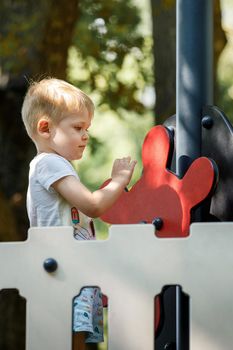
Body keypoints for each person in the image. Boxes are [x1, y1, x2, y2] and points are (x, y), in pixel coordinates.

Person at [21, 77, 136, 350]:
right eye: (78, 127)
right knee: (69, 338)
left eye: (87, 128)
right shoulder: (49, 163)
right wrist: (118, 180)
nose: (86, 135)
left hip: (73, 266)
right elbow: (93, 205)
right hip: (64, 266)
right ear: (46, 128)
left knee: (76, 338)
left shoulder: (56, 164)